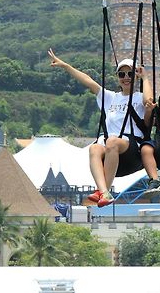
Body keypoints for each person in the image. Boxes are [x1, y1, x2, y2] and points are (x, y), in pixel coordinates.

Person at [48, 49, 152, 207]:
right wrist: (65, 66)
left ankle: (105, 191)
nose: (126, 78)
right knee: (95, 148)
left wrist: (145, 78)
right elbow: (89, 82)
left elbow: (149, 101)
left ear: (135, 76)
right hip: (112, 146)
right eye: (122, 74)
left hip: (131, 146)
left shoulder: (138, 97)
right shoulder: (111, 97)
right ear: (117, 78)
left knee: (111, 141)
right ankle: (103, 191)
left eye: (130, 74)